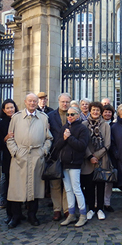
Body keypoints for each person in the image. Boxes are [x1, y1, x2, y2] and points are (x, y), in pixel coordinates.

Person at [6, 93, 53, 228]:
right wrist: (15, 152)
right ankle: (15, 216)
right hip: (19, 156)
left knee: (35, 187)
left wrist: (43, 151)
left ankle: (32, 215)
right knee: (17, 188)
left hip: (36, 156)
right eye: (30, 101)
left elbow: (49, 138)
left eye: (34, 101)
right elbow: (10, 138)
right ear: (25, 102)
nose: (32, 103)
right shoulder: (16, 118)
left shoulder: (43, 118)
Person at [53, 106, 90, 227]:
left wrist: (69, 138)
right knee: (68, 189)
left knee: (76, 189)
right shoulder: (64, 127)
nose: (70, 116)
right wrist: (64, 138)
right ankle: (71, 214)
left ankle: (83, 215)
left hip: (75, 163)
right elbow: (57, 145)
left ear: (78, 115)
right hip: (64, 162)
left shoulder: (82, 128)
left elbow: (81, 146)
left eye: (72, 114)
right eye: (68, 114)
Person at [81, 102, 111, 220]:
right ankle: (91, 209)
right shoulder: (84, 125)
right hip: (87, 160)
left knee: (100, 185)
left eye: (97, 110)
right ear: (90, 110)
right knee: (89, 185)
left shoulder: (105, 125)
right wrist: (90, 156)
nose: (95, 112)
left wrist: (96, 156)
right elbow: (83, 143)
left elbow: (108, 144)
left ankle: (100, 208)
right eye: (93, 110)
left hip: (101, 159)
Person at [47, 93, 71, 221]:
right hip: (55, 153)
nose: (65, 104)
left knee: (67, 183)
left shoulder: (72, 115)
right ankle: (57, 209)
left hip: (69, 153)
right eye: (63, 101)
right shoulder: (50, 116)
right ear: (58, 101)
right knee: (55, 184)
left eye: (67, 102)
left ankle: (67, 209)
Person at [0, 99, 19, 224]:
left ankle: (18, 212)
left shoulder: (20, 120)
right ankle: (10, 213)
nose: (11, 110)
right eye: (8, 108)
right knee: (10, 186)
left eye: (12, 107)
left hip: (20, 157)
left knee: (19, 186)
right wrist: (5, 138)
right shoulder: (0, 124)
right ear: (4, 110)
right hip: (7, 158)